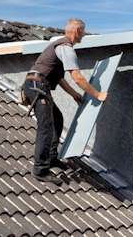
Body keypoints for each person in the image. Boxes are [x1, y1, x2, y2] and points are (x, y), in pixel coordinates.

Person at [23, 18, 107, 184]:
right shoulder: (66, 48)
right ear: (77, 32)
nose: (83, 35)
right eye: (83, 31)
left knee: (58, 118)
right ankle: (40, 169)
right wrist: (97, 94)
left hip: (37, 84)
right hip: (37, 86)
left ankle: (52, 158)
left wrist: (74, 95)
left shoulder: (59, 47)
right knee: (46, 127)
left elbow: (60, 79)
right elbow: (76, 76)